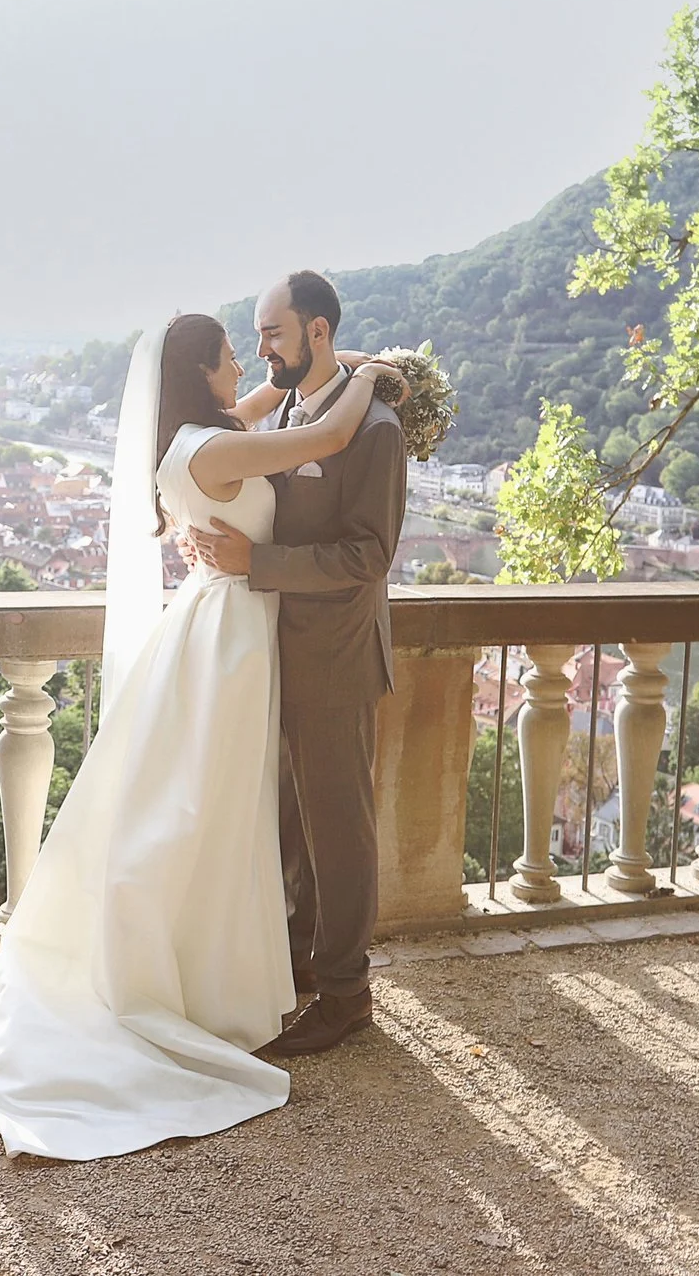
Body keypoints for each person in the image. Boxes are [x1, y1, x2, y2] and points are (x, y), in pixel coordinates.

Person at [0, 309, 405, 1161]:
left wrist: (346, 356)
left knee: (214, 806)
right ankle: (200, 977)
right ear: (202, 371)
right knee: (205, 807)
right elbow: (326, 429)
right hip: (234, 632)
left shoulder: (199, 438)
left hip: (230, 625)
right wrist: (379, 377)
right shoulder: (217, 451)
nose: (243, 362)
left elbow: (274, 396)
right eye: (229, 354)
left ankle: (224, 967)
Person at [182, 269, 406, 1055]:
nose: (260, 348)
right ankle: (302, 968)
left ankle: (348, 994)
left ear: (317, 331)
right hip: (268, 656)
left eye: (272, 332)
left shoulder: (375, 428)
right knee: (289, 827)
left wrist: (258, 561)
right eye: (255, 335)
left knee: (340, 832)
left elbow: (368, 556)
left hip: (336, 660)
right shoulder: (280, 412)